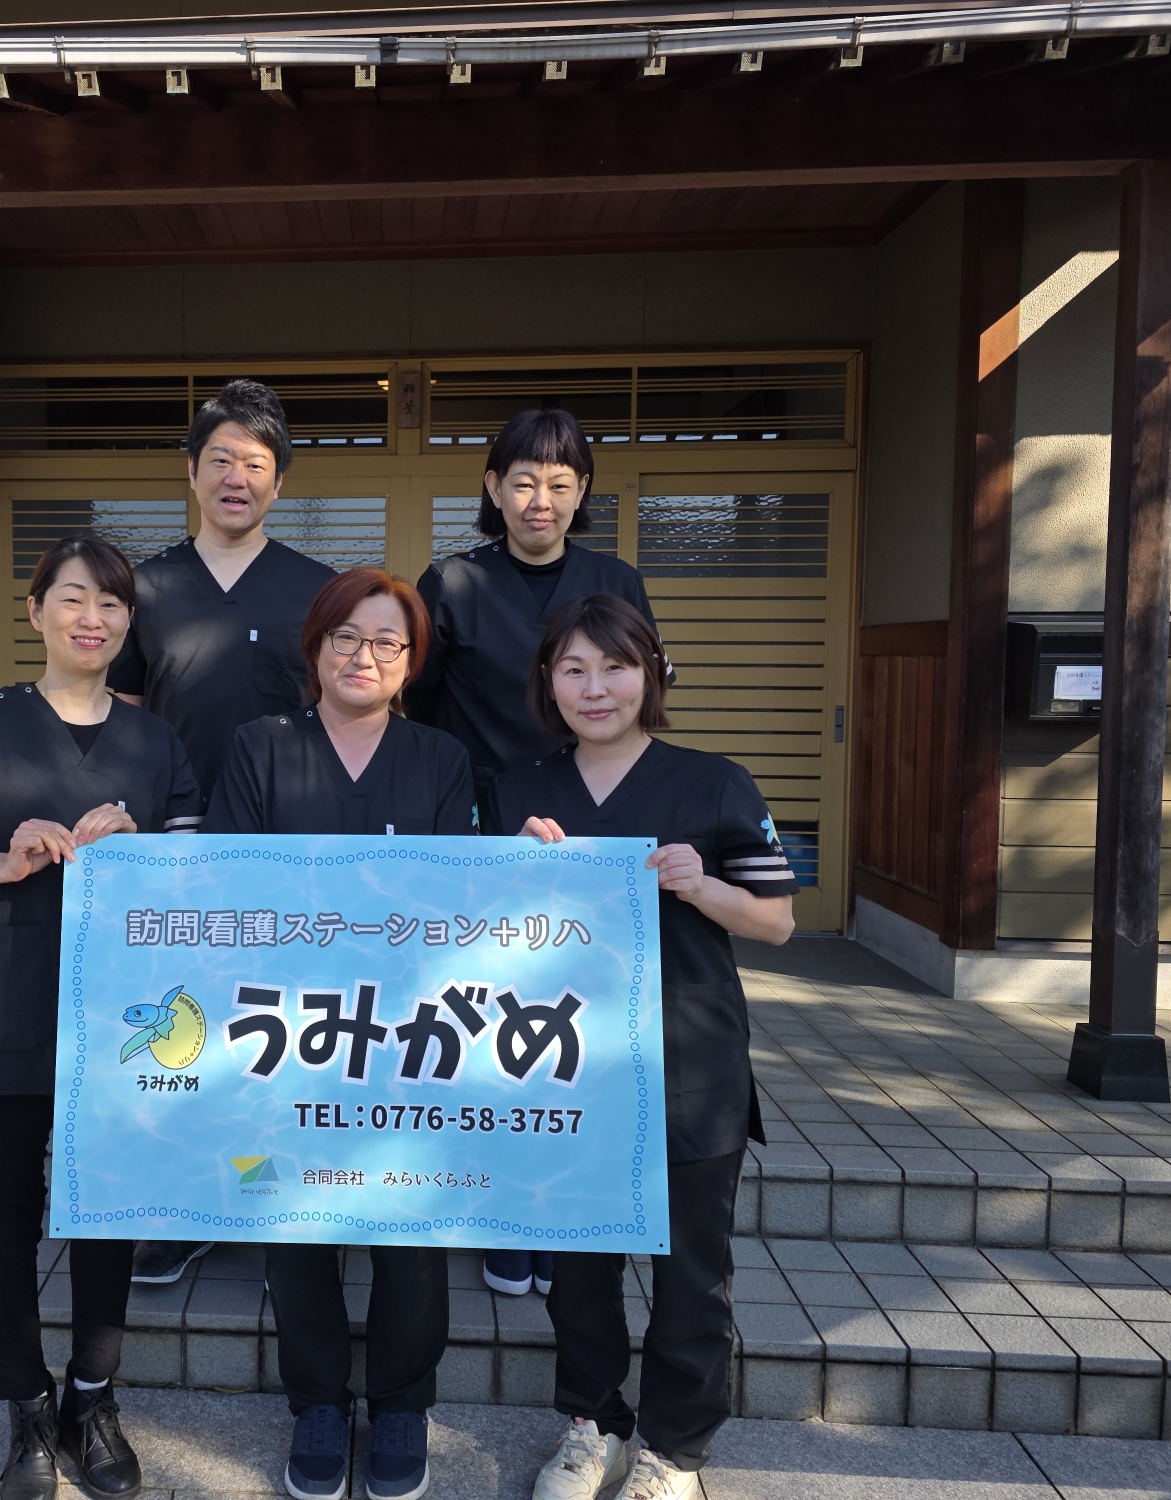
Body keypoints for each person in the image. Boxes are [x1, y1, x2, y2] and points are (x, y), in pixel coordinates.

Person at [0, 536, 204, 1500]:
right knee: (5, 1222)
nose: (91, 619)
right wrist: (3, 859)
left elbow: (198, 879)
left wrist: (138, 845)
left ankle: (91, 1402)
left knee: (108, 1215)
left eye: (110, 604)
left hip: (123, 1026)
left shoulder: (155, 742)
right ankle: (25, 1405)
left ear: (128, 623)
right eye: (71, 599)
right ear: (35, 612)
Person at [482, 593, 796, 1500]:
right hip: (563, 1065)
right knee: (578, 1264)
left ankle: (675, 1450)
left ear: (652, 674)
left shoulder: (716, 782)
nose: (595, 688)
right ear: (548, 682)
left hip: (688, 1058)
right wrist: (511, 873)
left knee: (692, 1270)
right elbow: (472, 933)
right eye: (573, 669)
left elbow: (776, 921)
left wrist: (702, 887)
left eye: (615, 667)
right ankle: (594, 1428)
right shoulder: (516, 791)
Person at [206, 567, 472, 1500]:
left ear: (412, 661)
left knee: (411, 1221)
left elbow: (455, 899)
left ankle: (401, 1403)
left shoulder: (440, 758)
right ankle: (317, 1399)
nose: (365, 656)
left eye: (388, 642)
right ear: (315, 648)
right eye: (346, 637)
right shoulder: (260, 747)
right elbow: (232, 889)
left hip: (406, 1033)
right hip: (289, 1031)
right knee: (294, 1216)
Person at [408, 405, 665, 1301]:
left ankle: (562, 1209)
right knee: (488, 1021)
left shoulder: (615, 579)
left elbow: (633, 695)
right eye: (522, 481)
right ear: (493, 488)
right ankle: (499, 1211)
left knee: (573, 1027)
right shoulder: (451, 581)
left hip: (595, 822)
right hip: (488, 829)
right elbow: (420, 708)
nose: (540, 500)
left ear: (582, 490)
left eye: (559, 482)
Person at [110, 378, 334, 1287]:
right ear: (192, 471)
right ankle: (181, 1208)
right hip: (180, 848)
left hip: (292, 847)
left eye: (256, 463)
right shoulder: (147, 586)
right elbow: (122, 716)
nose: (237, 477)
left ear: (280, 480)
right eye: (220, 460)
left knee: (283, 1034)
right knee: (190, 1039)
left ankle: (283, 1207)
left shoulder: (317, 589)